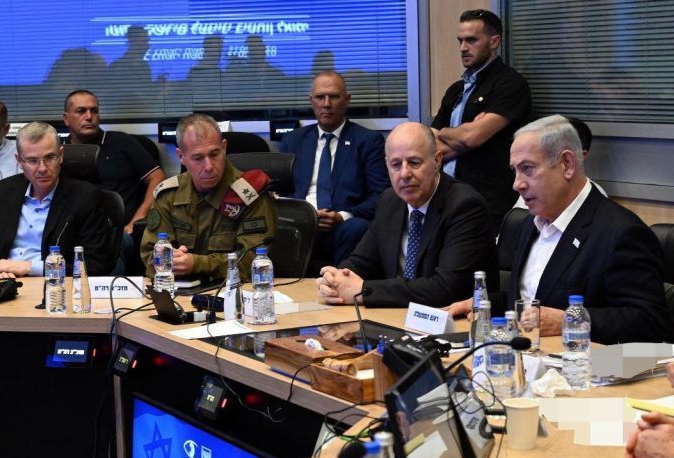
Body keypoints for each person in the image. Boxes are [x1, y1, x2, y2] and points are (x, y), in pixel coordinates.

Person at [449, 115, 669, 343]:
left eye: (527, 168)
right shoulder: (530, 223)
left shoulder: (621, 233)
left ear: (567, 164)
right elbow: (536, 297)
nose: (517, 184)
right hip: (526, 354)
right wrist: (485, 304)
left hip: (585, 361)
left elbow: (648, 322)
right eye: (515, 170)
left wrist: (569, 320)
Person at [316, 122, 495, 308]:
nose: (404, 174)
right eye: (396, 164)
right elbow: (361, 262)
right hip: (396, 315)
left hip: (451, 320)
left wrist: (363, 290)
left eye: (414, 162)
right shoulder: (390, 201)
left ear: (437, 160)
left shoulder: (464, 206)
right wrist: (335, 280)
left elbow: (445, 289)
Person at [140, 113, 277, 281]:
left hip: (234, 291)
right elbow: (150, 254)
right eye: (198, 158)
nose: (209, 166)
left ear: (224, 147)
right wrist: (172, 262)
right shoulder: (169, 195)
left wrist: (196, 264)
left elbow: (254, 262)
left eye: (214, 154)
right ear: (181, 156)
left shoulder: (249, 194)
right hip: (180, 290)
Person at [431, 9, 532, 231]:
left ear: (494, 41)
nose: (463, 48)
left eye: (471, 40)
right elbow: (431, 144)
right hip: (444, 195)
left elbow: (471, 137)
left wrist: (454, 133)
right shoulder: (456, 90)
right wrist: (464, 133)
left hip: (487, 200)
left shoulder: (510, 84)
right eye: (460, 41)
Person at [0, 122, 114, 278]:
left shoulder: (85, 197)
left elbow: (96, 264)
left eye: (49, 158)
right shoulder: (3, 191)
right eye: (32, 160)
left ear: (61, 155)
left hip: (53, 284)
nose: (42, 168)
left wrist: (30, 267)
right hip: (3, 281)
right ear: (19, 161)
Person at [279, 71, 390, 264]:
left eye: (334, 96)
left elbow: (380, 194)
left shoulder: (368, 141)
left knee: (357, 228)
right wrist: (304, 215)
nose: (326, 104)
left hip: (345, 225)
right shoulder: (294, 140)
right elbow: (280, 192)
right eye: (320, 97)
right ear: (311, 101)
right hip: (302, 223)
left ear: (347, 100)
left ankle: (340, 280)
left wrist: (341, 216)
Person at [62, 90, 164, 233]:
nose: (89, 117)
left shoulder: (121, 141)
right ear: (66, 118)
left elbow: (158, 178)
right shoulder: (58, 152)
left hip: (119, 232)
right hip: (74, 231)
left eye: (94, 111)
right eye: (81, 111)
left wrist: (137, 220)